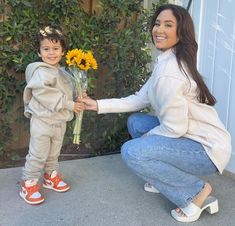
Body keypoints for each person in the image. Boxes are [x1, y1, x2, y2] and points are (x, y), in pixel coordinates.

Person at [80, 4, 231, 223]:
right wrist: (96, 104)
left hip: (206, 151)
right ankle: (160, 177)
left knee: (133, 152)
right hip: (191, 137)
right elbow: (139, 99)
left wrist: (146, 144)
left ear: (181, 32)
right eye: (157, 23)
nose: (159, 30)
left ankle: (195, 192)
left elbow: (174, 128)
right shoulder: (167, 60)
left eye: (168, 25)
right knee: (137, 123)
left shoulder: (170, 73)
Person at [20, 25, 84, 205]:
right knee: (38, 153)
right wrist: (70, 104)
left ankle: (50, 176)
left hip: (59, 121)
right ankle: (29, 182)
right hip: (43, 121)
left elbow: (68, 90)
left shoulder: (63, 73)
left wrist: (79, 95)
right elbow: (46, 94)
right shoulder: (40, 72)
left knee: (53, 152)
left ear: (63, 51)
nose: (51, 53)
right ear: (39, 52)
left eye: (55, 48)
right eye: (46, 49)